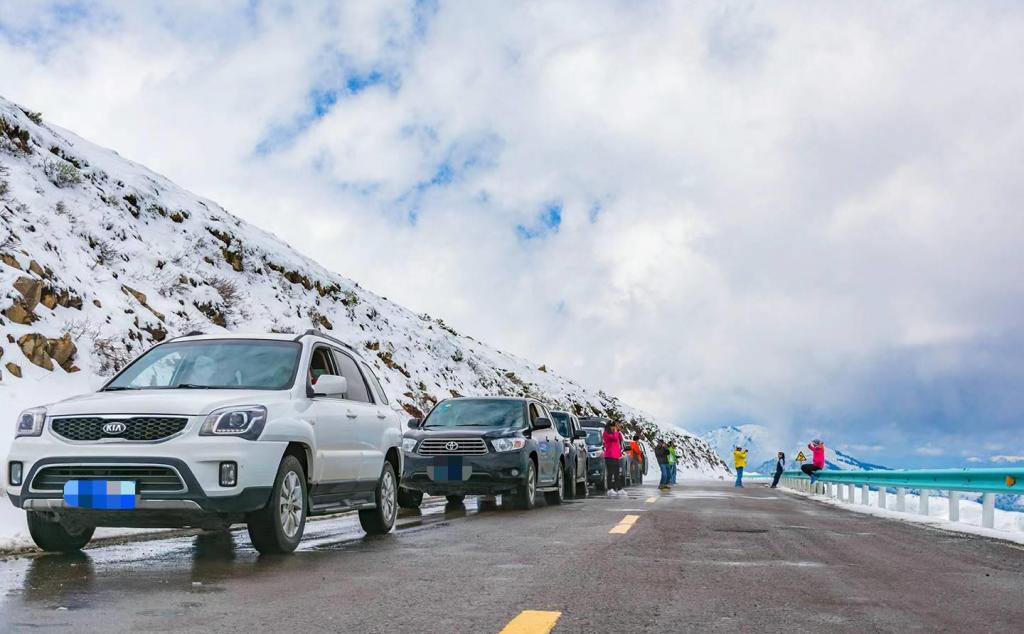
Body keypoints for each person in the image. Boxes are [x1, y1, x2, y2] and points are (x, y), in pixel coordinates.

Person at [602, 422, 626, 496]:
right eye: (613, 427)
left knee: (617, 473)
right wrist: (615, 431)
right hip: (609, 456)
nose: (614, 428)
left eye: (615, 427)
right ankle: (610, 489)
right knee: (610, 473)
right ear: (609, 427)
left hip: (615, 456)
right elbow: (614, 438)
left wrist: (618, 431)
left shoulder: (615, 433)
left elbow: (620, 439)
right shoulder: (606, 433)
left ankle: (619, 488)